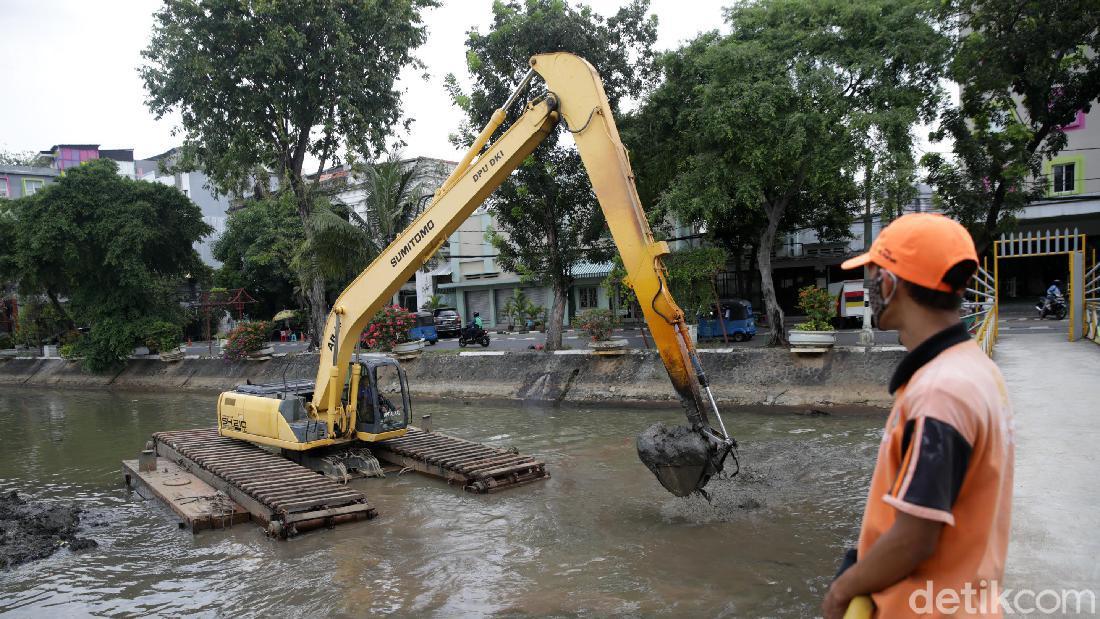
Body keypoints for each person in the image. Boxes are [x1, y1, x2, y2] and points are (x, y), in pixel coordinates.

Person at [823, 213, 1015, 618]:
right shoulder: (972, 369)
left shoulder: (939, 393)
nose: (868, 290)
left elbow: (914, 539)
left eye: (872, 277)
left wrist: (843, 591)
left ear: (889, 285)